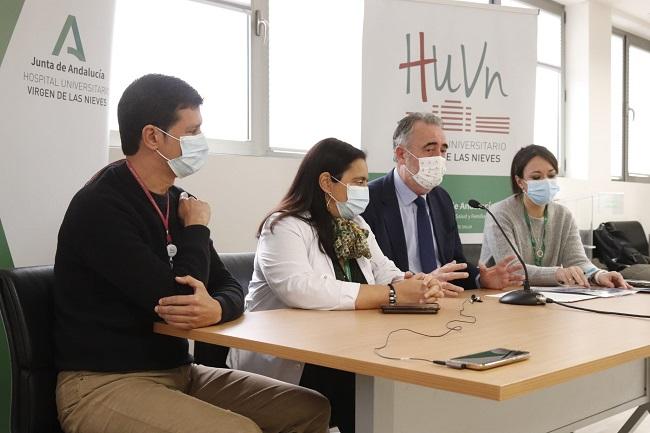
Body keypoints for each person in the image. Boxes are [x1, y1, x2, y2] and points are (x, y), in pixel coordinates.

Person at [53, 74, 330, 433]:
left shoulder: (179, 201)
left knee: (308, 408)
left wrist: (217, 307)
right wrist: (197, 229)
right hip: (102, 384)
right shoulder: (102, 206)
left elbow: (230, 285)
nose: (202, 142)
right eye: (193, 131)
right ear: (153, 136)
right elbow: (176, 302)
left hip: (179, 373)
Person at [228, 137, 442, 433]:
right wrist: (391, 294)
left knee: (400, 384)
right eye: (358, 181)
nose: (364, 191)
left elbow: (383, 269)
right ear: (327, 182)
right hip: (297, 361)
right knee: (368, 393)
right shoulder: (283, 226)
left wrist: (413, 283)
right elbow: (299, 288)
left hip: (347, 349)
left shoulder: (357, 225)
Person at [362, 112, 524, 293]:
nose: (439, 158)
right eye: (430, 149)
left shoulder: (442, 199)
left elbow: (454, 263)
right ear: (401, 154)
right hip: (398, 305)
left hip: (443, 301)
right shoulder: (370, 199)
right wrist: (423, 283)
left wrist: (480, 277)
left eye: (443, 150)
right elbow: (369, 273)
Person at [480, 144, 630, 288]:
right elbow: (513, 270)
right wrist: (557, 273)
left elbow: (577, 261)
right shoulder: (500, 213)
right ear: (520, 182)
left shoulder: (563, 215)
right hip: (502, 294)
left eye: (551, 175)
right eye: (536, 177)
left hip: (547, 297)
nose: (546, 182)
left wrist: (598, 275)